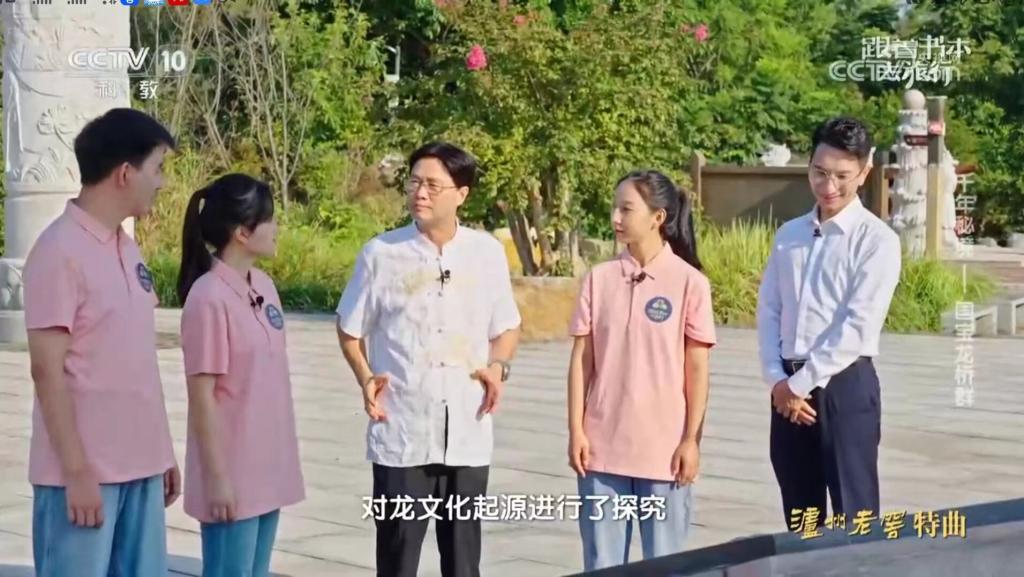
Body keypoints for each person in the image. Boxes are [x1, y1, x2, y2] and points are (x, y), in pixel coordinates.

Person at [336, 141, 522, 577]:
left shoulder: (486, 253)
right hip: (402, 428)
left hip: (467, 426)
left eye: (433, 185)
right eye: (414, 182)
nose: (420, 193)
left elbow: (507, 327)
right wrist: (365, 376)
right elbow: (349, 328)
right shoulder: (381, 254)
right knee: (397, 560)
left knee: (463, 561)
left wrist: (498, 367)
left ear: (461, 194)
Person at [22, 107, 180, 577]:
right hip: (84, 478)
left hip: (141, 468)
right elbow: (46, 370)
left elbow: (137, 360)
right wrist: (75, 472)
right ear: (125, 173)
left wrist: (161, 451)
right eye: (158, 169)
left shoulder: (126, 247)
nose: (162, 183)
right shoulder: (58, 251)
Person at [567, 170, 716, 571]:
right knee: (602, 563)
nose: (615, 217)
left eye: (626, 209)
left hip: (664, 453)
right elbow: (582, 360)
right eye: (614, 208)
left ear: (658, 217)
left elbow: (697, 370)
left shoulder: (689, 283)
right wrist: (577, 430)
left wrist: (691, 440)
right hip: (601, 450)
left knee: (664, 564)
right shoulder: (598, 280)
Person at [757, 117, 901, 529]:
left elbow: (857, 326)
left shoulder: (876, 240)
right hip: (787, 389)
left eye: (841, 176)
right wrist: (778, 381)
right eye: (819, 172)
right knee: (801, 516)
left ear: (864, 172)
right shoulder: (789, 235)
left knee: (855, 517)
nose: (828, 186)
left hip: (844, 387)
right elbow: (769, 310)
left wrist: (798, 386)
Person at [177, 173, 305, 577]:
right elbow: (202, 396)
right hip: (232, 473)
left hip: (268, 465)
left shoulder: (264, 286)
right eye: (269, 219)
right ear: (242, 233)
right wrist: (217, 480)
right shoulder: (208, 298)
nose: (277, 227)